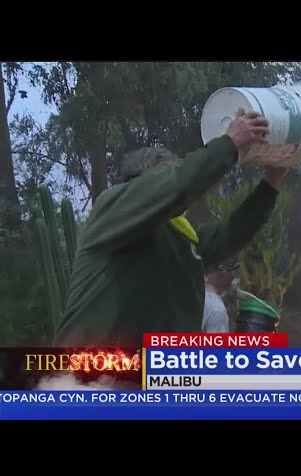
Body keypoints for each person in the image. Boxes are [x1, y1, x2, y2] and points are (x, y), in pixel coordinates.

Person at [53, 110, 288, 347]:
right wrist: (230, 144)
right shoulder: (114, 210)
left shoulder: (181, 238)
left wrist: (272, 181)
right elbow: (179, 184)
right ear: (148, 181)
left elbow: (233, 232)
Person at [202, 258, 240, 333]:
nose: (234, 275)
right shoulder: (217, 310)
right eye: (232, 270)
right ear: (223, 272)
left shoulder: (192, 294)